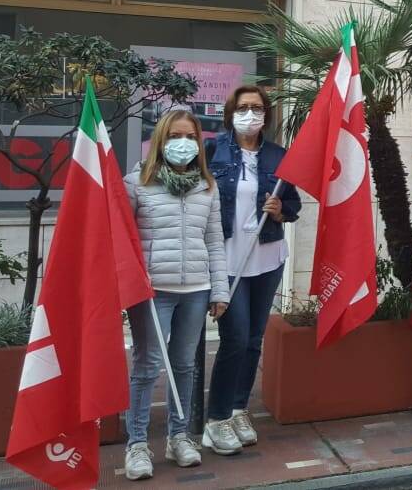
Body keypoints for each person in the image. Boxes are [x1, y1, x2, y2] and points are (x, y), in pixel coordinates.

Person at [122, 109, 229, 481]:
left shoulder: (207, 186)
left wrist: (220, 289)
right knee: (148, 366)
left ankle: (178, 437)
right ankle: (136, 444)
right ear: (160, 140)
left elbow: (214, 241)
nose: (182, 143)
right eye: (174, 136)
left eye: (190, 137)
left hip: (196, 290)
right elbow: (122, 239)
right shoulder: (136, 183)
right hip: (153, 291)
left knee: (183, 365)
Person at [203, 86, 301, 454]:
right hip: (227, 259)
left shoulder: (279, 156)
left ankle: (239, 407)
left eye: (257, 108)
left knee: (254, 338)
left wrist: (281, 210)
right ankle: (216, 418)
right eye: (243, 108)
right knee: (235, 338)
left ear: (266, 114)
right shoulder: (213, 149)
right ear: (231, 112)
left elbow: (294, 205)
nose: (250, 114)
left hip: (267, 255)